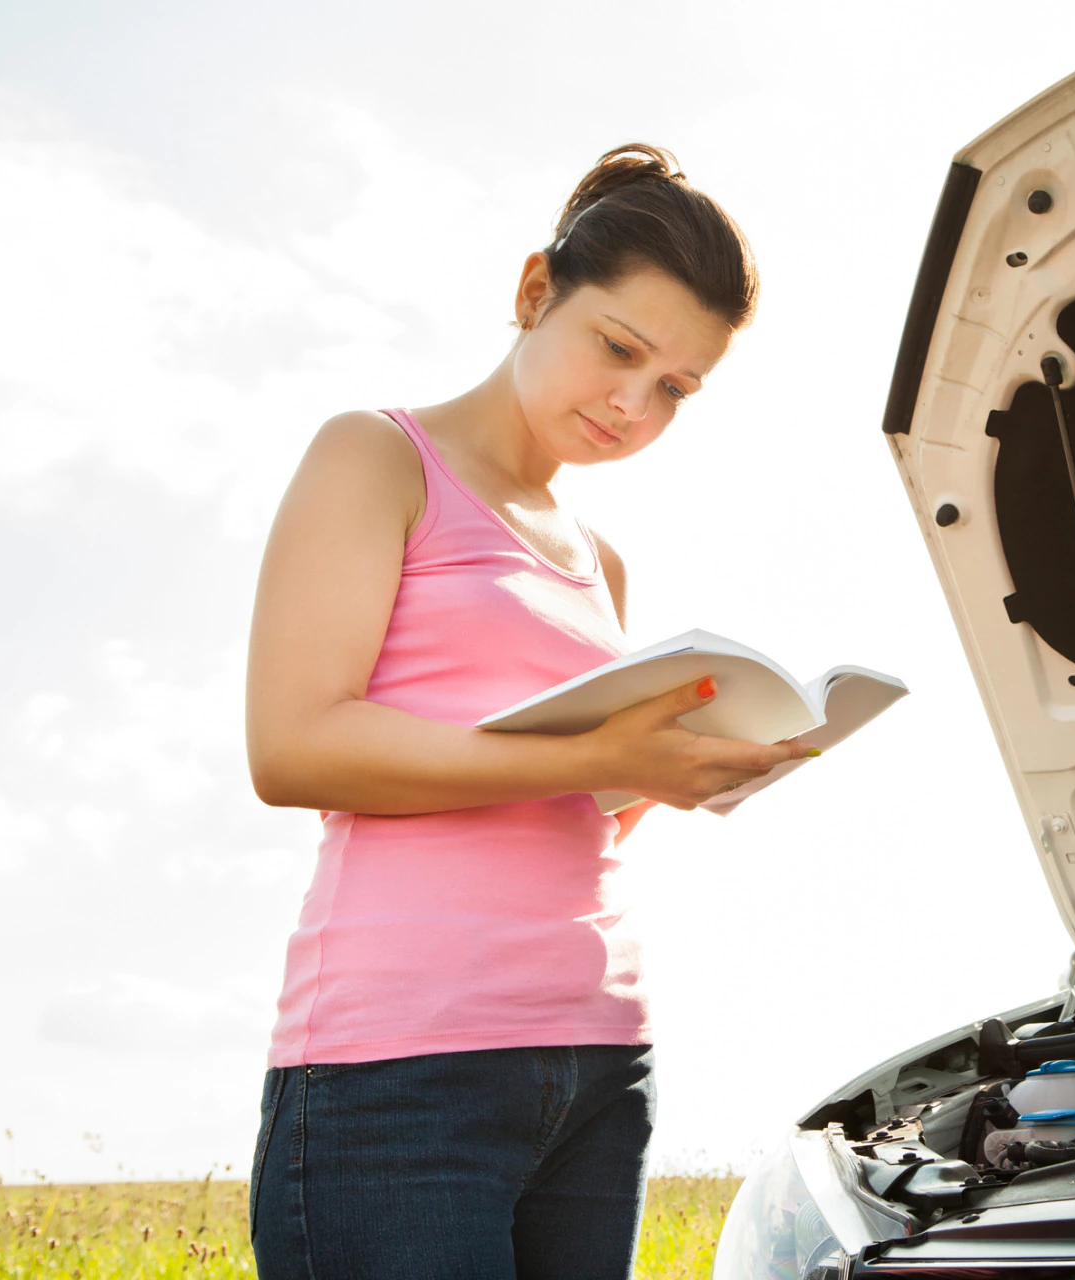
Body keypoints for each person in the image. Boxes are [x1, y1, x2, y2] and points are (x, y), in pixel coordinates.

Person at [243, 143, 813, 1278]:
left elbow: (569, 798)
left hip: (600, 1056)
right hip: (400, 1065)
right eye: (620, 347)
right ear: (533, 290)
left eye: (675, 389)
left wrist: (661, 770)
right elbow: (295, 742)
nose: (632, 402)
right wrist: (603, 749)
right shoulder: (377, 455)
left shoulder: (599, 559)